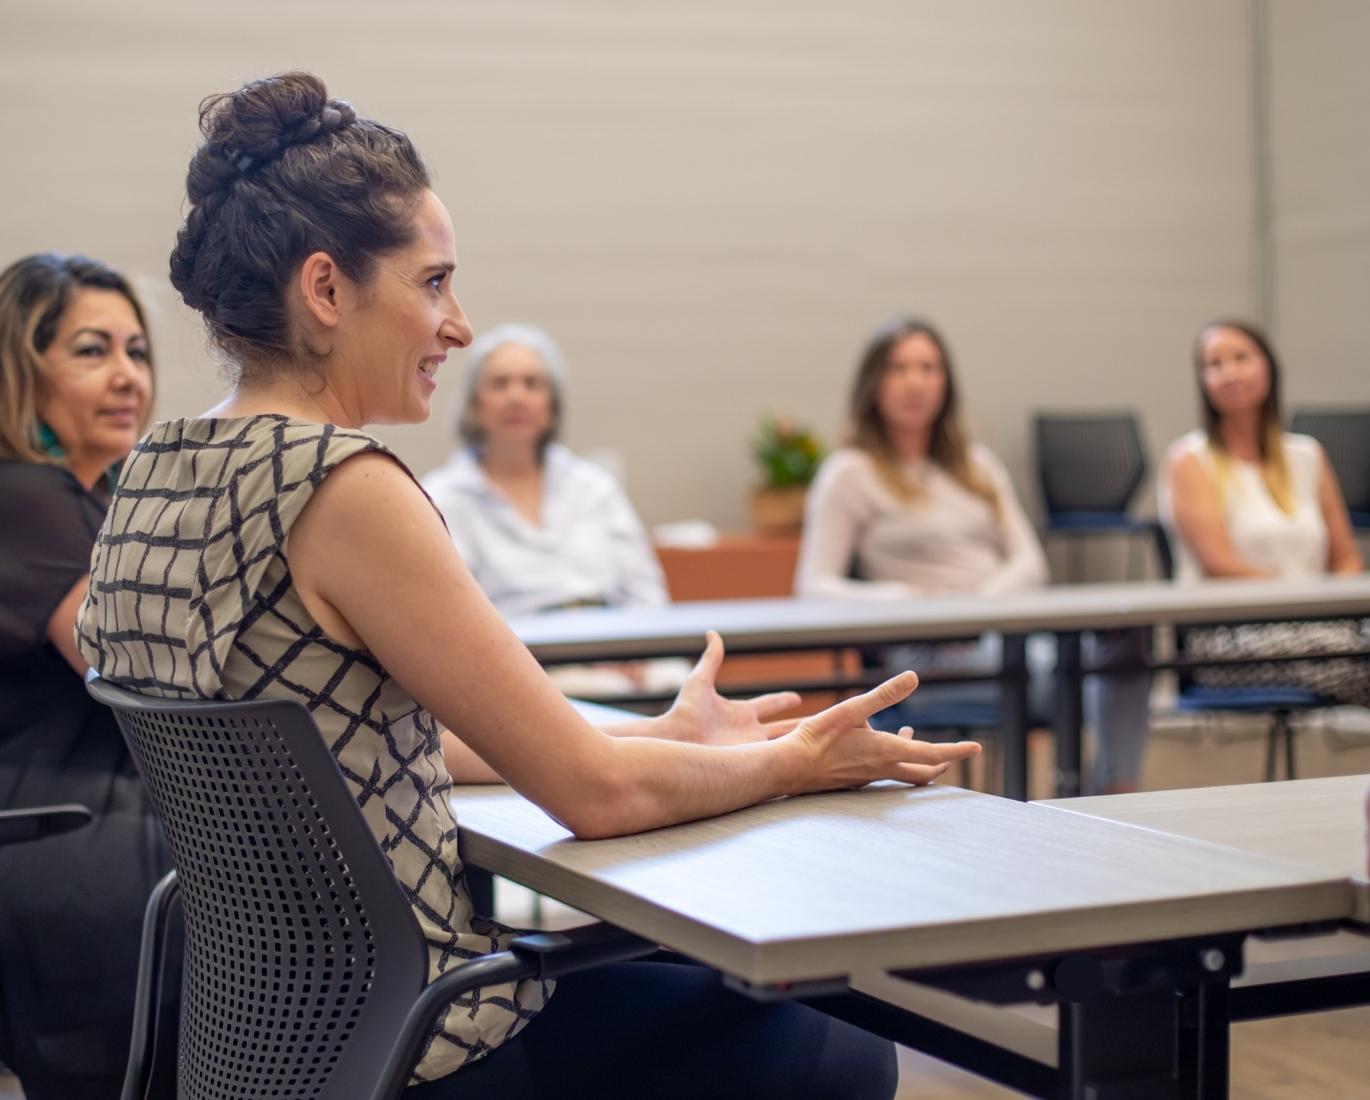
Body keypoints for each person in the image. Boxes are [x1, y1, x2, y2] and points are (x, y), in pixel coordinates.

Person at [76, 71, 979, 1099]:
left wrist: (664, 734)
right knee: (841, 1048)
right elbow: (596, 799)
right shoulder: (342, 488)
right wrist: (795, 759)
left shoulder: (152, 470)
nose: (458, 325)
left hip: (264, 1040)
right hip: (425, 1045)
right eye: (431, 283)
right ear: (326, 290)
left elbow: (344, 741)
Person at [796, 316, 1154, 793]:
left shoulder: (977, 465)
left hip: (1005, 637)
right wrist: (908, 600)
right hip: (929, 653)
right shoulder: (849, 473)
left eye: (928, 368)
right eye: (898, 369)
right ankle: (1083, 803)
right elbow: (813, 587)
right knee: (1072, 673)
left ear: (946, 382)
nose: (915, 382)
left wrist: (980, 608)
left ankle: (1113, 795)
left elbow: (1030, 562)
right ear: (873, 384)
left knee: (1121, 650)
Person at [0, 253, 171, 1099]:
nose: (126, 377)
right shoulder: (26, 497)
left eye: (137, 352)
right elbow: (149, 677)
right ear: (22, 371)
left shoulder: (84, 500)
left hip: (93, 824)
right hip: (65, 837)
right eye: (92, 351)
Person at [1159, 319, 1366, 704]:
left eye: (1241, 358)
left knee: (1350, 649)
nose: (1230, 373)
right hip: (1228, 633)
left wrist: (1330, 605)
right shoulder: (1189, 460)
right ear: (1202, 380)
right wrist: (1307, 601)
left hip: (1321, 624)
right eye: (1215, 364)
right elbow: (1219, 564)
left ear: (1268, 367)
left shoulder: (1307, 455)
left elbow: (1347, 558)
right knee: (1355, 658)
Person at [422, 322, 668, 615]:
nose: (516, 397)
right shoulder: (442, 499)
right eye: (500, 383)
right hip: (514, 652)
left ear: (552, 406)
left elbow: (647, 592)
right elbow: (452, 614)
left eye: (532, 383)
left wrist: (636, 649)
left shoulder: (594, 487)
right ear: (474, 404)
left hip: (621, 647)